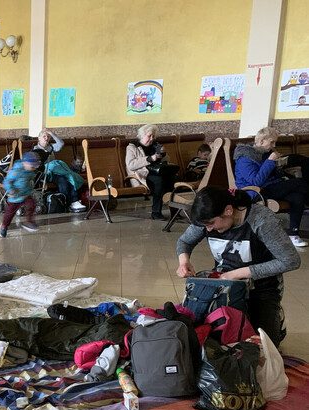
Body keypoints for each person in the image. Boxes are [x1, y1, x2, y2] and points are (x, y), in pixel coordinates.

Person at [175, 186, 300, 346]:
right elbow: (184, 241)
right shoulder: (207, 219)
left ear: (228, 210)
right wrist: (183, 261)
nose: (208, 229)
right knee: (211, 337)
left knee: (264, 346)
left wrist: (237, 273)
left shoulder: (260, 220)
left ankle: (276, 319)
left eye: (211, 224)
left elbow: (290, 260)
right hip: (224, 284)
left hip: (262, 288)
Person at [233, 127, 309, 247]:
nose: (274, 145)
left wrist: (278, 165)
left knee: (297, 197)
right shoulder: (244, 158)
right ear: (262, 141)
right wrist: (270, 161)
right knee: (300, 183)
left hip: (270, 187)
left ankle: (293, 234)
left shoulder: (263, 153)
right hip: (255, 192)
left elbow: (270, 175)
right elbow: (255, 181)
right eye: (272, 142)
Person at [125, 124, 179, 220]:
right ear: (142, 135)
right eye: (149, 136)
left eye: (153, 136)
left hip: (158, 171)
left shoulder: (156, 145)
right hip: (142, 174)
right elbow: (131, 164)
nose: (151, 138)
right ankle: (156, 212)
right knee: (159, 181)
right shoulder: (132, 147)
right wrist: (149, 159)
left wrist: (163, 154)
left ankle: (174, 211)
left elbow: (166, 160)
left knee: (172, 179)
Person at [33, 129, 87, 212]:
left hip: (58, 171)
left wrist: (51, 133)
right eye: (44, 136)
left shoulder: (51, 147)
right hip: (46, 173)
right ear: (39, 138)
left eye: (48, 136)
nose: (46, 138)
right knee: (63, 180)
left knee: (71, 176)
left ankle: (74, 201)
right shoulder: (35, 150)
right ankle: (68, 202)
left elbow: (61, 143)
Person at [0, 152, 41, 237]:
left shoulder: (30, 171)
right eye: (32, 166)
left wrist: (31, 189)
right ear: (25, 163)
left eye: (35, 166)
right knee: (9, 214)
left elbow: (29, 181)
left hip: (26, 194)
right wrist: (11, 190)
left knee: (31, 205)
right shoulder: (16, 171)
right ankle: (4, 226)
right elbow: (7, 181)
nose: (33, 168)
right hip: (15, 197)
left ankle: (28, 222)